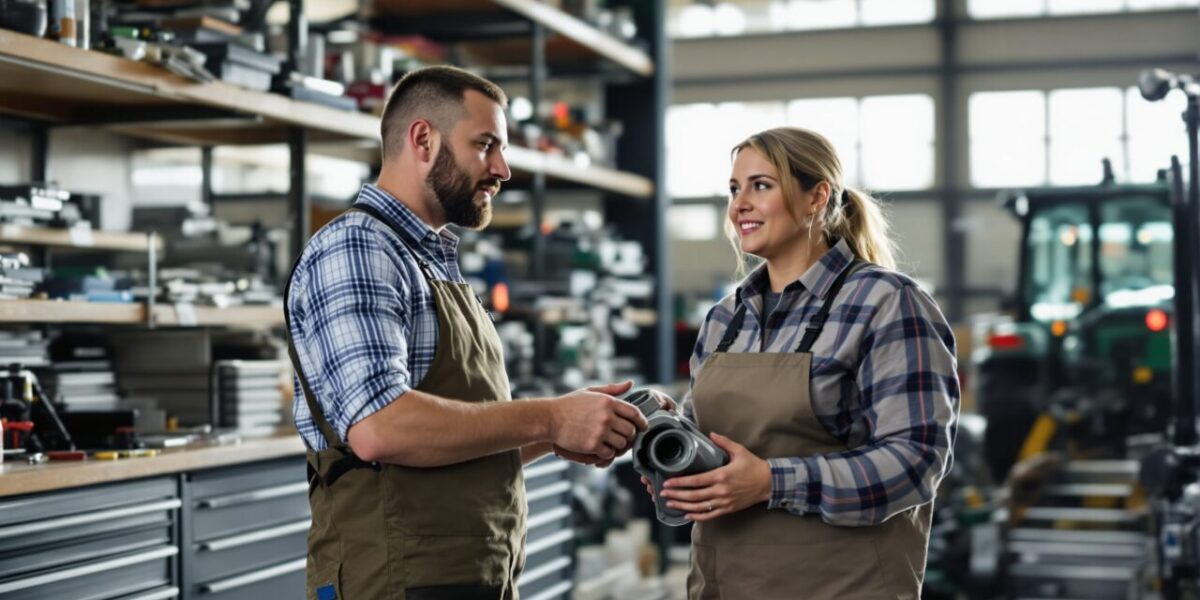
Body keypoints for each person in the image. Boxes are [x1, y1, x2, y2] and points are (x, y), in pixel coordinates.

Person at [285, 65, 647, 600]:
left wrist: (560, 432)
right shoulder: (360, 248)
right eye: (486, 145)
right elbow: (381, 428)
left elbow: (452, 440)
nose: (502, 168)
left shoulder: (429, 260)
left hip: (463, 576)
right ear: (423, 140)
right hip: (396, 581)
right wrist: (549, 414)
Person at [646, 127, 959, 599]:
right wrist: (671, 454)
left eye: (761, 185)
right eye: (734, 189)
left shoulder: (886, 303)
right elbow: (706, 441)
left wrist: (771, 482)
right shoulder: (725, 319)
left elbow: (915, 462)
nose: (740, 204)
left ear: (817, 198)